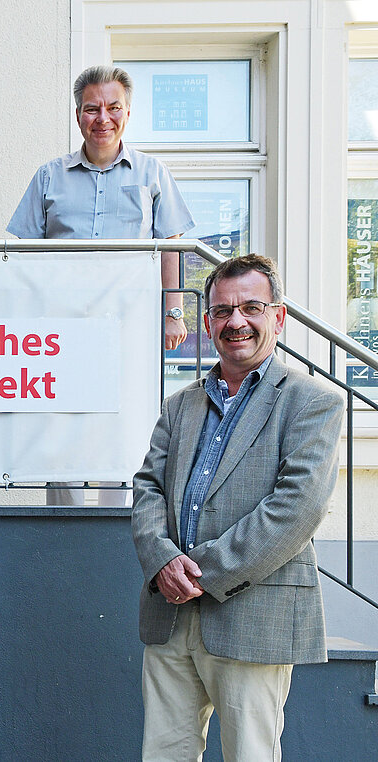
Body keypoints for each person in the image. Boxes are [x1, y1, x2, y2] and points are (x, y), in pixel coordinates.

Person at [131, 254, 343, 761]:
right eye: (223, 311)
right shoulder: (180, 404)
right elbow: (147, 488)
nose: (236, 321)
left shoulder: (312, 402)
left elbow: (297, 507)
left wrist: (197, 571)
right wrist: (162, 560)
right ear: (207, 323)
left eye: (251, 307)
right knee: (163, 754)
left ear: (278, 316)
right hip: (170, 616)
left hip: (253, 614)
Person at [7, 64, 195, 506]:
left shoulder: (152, 173)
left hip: (129, 324)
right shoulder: (49, 176)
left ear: (128, 113)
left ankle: (117, 521)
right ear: (78, 116)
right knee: (61, 419)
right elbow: (22, 255)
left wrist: (173, 312)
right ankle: (64, 524)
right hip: (62, 327)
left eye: (113, 107)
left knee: (124, 421)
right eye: (92, 108)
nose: (103, 118)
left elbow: (171, 245)